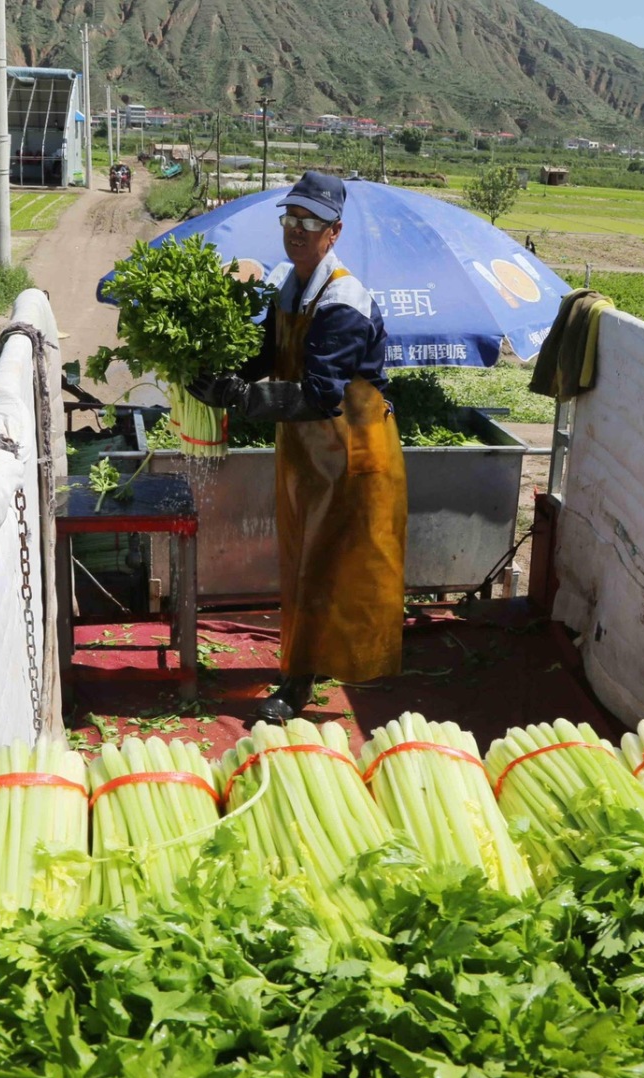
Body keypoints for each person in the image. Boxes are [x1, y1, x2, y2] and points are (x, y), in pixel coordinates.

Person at [189, 171, 408, 723]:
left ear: (333, 232)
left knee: (338, 568)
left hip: (353, 451)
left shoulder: (344, 300)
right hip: (308, 452)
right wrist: (222, 374)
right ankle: (309, 663)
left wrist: (242, 398)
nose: (295, 230)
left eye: (309, 222)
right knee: (303, 560)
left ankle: (298, 683)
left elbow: (320, 395)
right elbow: (269, 354)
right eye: (289, 219)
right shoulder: (291, 283)